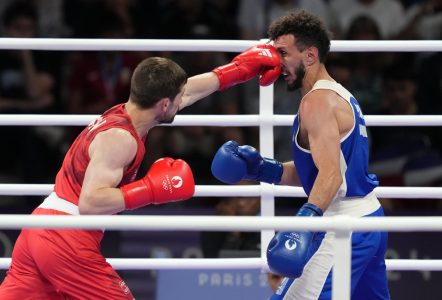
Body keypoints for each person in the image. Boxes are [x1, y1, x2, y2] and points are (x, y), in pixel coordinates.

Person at [0, 39, 282, 298]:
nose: (182, 102)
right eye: (176, 100)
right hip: (65, 235)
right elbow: (91, 201)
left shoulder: (129, 111)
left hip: (42, 227)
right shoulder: (120, 139)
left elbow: (186, 92)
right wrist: (151, 189)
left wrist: (240, 69)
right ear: (163, 104)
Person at [211, 10, 390, 300]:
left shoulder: (317, 103)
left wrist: (304, 224)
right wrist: (263, 170)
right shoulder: (335, 94)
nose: (275, 62)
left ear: (309, 56)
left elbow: (332, 175)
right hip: (366, 217)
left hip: (341, 225)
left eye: (282, 53)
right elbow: (320, 168)